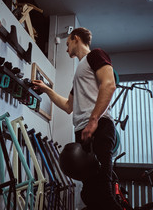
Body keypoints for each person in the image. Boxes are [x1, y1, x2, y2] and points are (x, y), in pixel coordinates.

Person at [32, 27, 122, 210]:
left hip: (98, 126)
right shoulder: (79, 73)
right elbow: (67, 106)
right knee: (89, 195)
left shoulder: (95, 55)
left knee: (103, 193)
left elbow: (109, 84)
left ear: (76, 38)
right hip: (84, 131)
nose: (66, 49)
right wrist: (47, 90)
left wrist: (93, 120)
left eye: (67, 44)